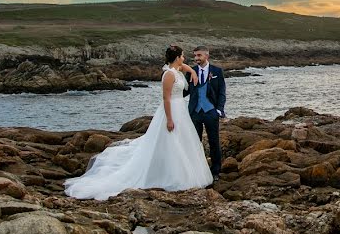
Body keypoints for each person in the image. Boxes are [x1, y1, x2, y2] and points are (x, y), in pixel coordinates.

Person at [63, 45, 212, 200]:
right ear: (176, 58)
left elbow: (183, 66)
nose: (184, 58)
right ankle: (169, 176)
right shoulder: (169, 75)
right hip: (172, 110)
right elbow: (166, 98)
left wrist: (193, 71)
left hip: (181, 110)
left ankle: (182, 173)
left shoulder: (177, 69)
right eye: (182, 56)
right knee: (170, 141)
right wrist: (169, 119)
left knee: (182, 142)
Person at [187, 45, 226, 180]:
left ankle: (215, 171)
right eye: (195, 55)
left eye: (199, 55)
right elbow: (186, 91)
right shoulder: (191, 71)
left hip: (211, 112)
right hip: (195, 112)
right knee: (194, 142)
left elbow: (221, 92)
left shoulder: (217, 71)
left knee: (214, 142)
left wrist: (219, 110)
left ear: (206, 56)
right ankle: (196, 170)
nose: (196, 58)